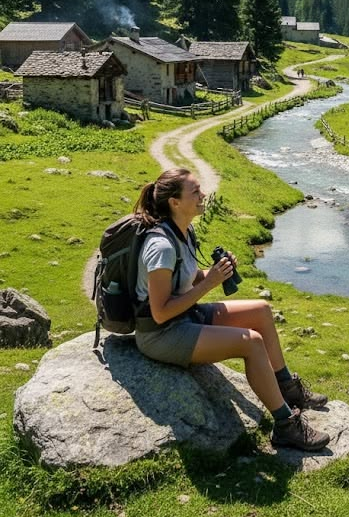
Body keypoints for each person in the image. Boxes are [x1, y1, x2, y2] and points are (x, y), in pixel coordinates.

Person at [133, 167, 330, 452]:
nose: (203, 195)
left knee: (261, 310)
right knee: (252, 343)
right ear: (175, 202)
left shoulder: (183, 231)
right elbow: (160, 312)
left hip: (184, 316)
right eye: (195, 192)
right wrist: (210, 283)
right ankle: (285, 425)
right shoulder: (161, 246)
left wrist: (217, 272)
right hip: (160, 334)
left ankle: (288, 389)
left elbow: (185, 279)